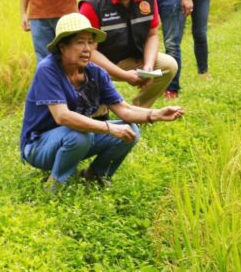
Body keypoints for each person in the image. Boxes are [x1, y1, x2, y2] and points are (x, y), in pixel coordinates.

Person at [19, 13, 184, 189]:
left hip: (71, 139)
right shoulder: (48, 70)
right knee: (79, 135)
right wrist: (109, 127)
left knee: (130, 130)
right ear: (62, 46)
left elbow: (123, 109)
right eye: (80, 42)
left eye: (90, 42)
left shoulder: (96, 73)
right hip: (38, 146)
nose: (87, 48)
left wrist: (155, 114)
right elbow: (63, 117)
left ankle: (94, 178)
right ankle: (55, 185)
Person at [79, 0, 178, 109]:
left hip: (132, 58)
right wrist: (124, 75)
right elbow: (89, 52)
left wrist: (149, 67)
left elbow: (152, 34)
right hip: (99, 64)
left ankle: (140, 110)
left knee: (169, 64)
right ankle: (99, 109)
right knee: (97, 115)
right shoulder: (92, 4)